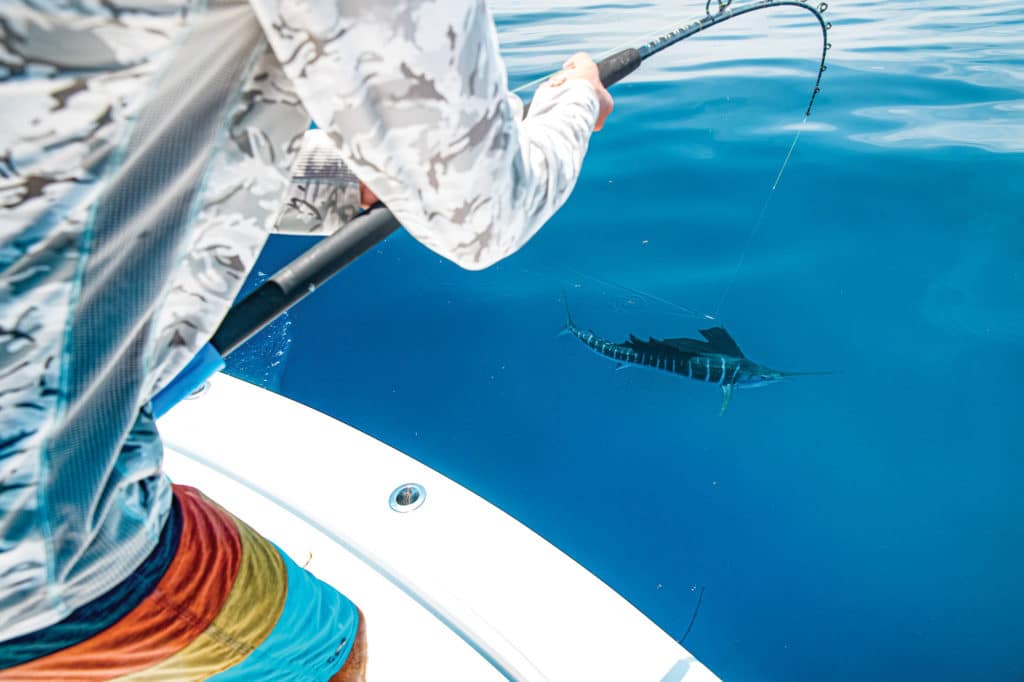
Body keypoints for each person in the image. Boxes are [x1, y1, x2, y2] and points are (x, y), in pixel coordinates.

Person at [0, 0, 613, 678]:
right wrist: (575, 101)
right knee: (326, 646)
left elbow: (89, 145)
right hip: (40, 541)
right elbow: (484, 216)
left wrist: (346, 186)